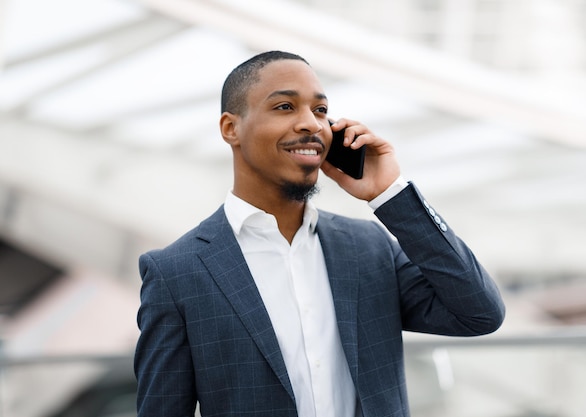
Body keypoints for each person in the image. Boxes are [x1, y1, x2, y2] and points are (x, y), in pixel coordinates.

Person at [134, 50, 505, 417]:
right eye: (284, 107)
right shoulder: (176, 273)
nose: (311, 123)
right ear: (231, 128)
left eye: (321, 110)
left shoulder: (368, 248)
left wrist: (390, 193)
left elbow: (480, 313)